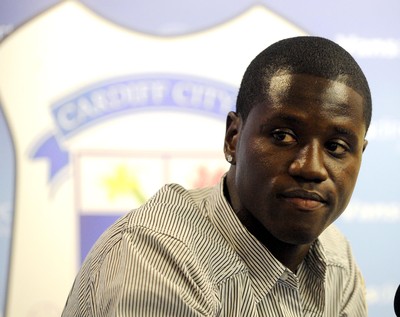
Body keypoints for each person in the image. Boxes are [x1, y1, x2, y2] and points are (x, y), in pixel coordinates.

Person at [62, 36, 371, 316]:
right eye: (283, 136)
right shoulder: (156, 257)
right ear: (233, 139)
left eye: (337, 146)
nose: (311, 167)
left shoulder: (336, 258)